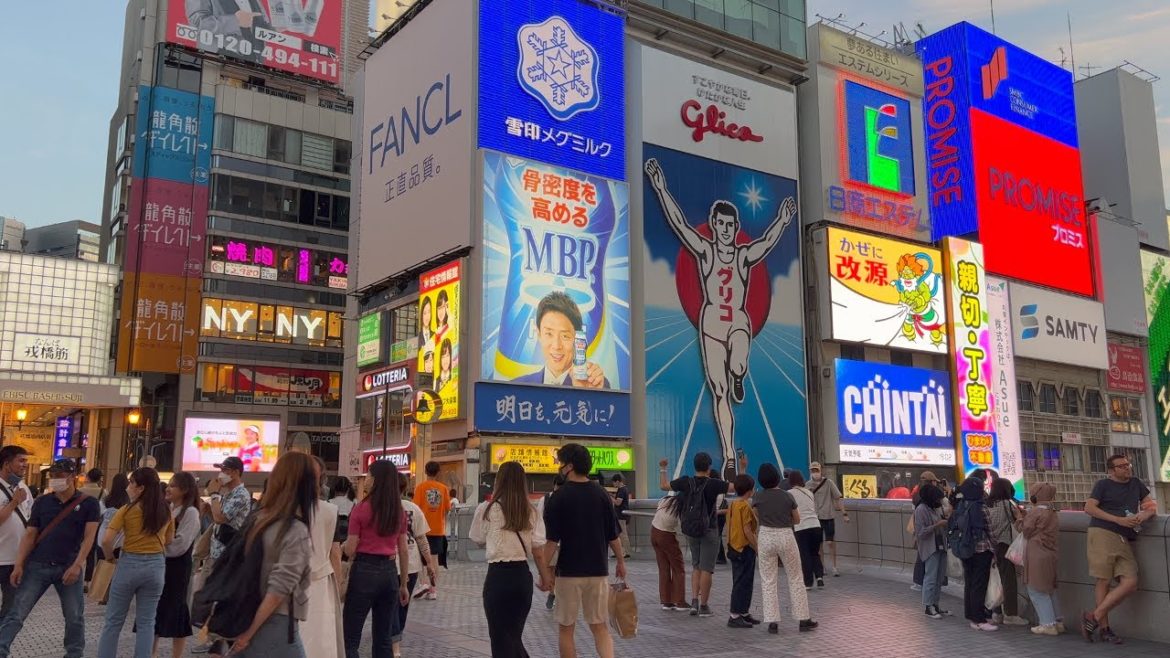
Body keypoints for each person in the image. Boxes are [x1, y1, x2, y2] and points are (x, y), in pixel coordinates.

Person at [644, 157, 797, 476]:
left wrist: (782, 220)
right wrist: (660, 188)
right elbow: (679, 224)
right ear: (714, 225)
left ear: (735, 228)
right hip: (711, 324)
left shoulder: (743, 256)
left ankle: (739, 373)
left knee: (737, 364)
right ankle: (728, 454)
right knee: (719, 391)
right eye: (721, 224)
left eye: (731, 225)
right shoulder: (705, 251)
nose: (726, 230)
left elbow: (767, 243)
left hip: (738, 322)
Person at [0, 458, 101, 658]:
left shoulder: (89, 504)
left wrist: (78, 565)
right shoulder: (43, 502)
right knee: (17, 613)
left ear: (73, 477)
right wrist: (19, 564)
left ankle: (74, 653)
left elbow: (89, 538)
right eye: (53, 476)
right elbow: (30, 535)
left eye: (60, 476)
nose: (55, 480)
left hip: (69, 566)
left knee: (74, 616)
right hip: (38, 564)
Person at [222, 452, 316, 656]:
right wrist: (248, 635)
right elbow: (278, 590)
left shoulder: (258, 519)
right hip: (275, 623)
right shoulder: (295, 529)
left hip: (246, 611)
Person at [543, 443, 624, 658]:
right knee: (600, 626)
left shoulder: (558, 498)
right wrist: (622, 563)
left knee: (566, 629)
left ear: (569, 466)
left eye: (561, 463)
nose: (559, 467)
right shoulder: (602, 495)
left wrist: (543, 571)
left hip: (568, 572)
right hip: (598, 571)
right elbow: (613, 535)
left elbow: (552, 541)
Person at [470, 461, 551, 657]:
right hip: (521, 577)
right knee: (513, 636)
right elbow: (538, 550)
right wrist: (546, 576)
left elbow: (477, 539)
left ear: (499, 481)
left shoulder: (487, 509)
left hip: (497, 577)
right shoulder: (531, 511)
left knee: (500, 638)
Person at [98, 467, 174, 658]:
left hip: (129, 564)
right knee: (147, 622)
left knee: (113, 621)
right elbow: (169, 540)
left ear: (140, 488)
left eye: (131, 483)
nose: (128, 486)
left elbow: (106, 540)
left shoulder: (127, 510)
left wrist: (109, 558)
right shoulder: (166, 511)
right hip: (156, 566)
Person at [1081, 454, 1156, 644]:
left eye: (1127, 465)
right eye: (1121, 466)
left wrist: (1143, 516)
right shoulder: (1102, 485)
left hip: (1125, 536)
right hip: (1103, 532)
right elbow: (1089, 508)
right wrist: (1118, 520)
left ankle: (1094, 617)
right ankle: (1105, 629)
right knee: (1104, 580)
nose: (1127, 468)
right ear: (1111, 470)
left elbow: (1150, 505)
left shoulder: (1136, 483)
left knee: (1131, 581)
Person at [343, 459, 410, 658]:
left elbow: (351, 546)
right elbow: (403, 549)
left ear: (377, 479)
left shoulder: (361, 509)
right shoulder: (398, 510)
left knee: (351, 637)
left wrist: (342, 547)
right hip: (389, 573)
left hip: (363, 571)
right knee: (383, 638)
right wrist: (403, 583)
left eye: (370, 475)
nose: (367, 479)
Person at [658, 451, 739, 617]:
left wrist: (663, 468)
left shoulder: (686, 482)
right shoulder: (713, 484)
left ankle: (694, 601)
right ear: (708, 467)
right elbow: (736, 487)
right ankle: (704, 606)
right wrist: (742, 469)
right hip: (709, 529)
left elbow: (664, 486)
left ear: (694, 466)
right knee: (706, 569)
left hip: (691, 529)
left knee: (696, 566)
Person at [753, 463, 816, 634]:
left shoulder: (757, 497)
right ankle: (803, 619)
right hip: (786, 536)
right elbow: (797, 519)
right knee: (795, 577)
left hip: (765, 536)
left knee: (768, 580)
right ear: (776, 478)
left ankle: (772, 622)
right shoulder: (787, 496)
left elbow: (757, 516)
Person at [149, 472, 201, 658]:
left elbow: (181, 544)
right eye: (168, 485)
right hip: (161, 563)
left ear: (185, 490)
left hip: (177, 567)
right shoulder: (169, 508)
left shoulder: (191, 512)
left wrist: (158, 548)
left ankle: (176, 655)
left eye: (173, 486)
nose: (168, 489)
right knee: (155, 608)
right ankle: (151, 651)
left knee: (177, 610)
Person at [511, 291, 610, 388]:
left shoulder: (597, 384)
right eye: (549, 334)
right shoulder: (516, 386)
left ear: (577, 339)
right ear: (539, 335)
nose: (556, 346)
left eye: (565, 336)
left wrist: (585, 394)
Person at [304, 456, 343, 658]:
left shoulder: (277, 509)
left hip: (284, 585)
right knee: (321, 639)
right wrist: (339, 584)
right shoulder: (329, 511)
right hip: (320, 583)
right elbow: (335, 553)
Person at [395, 471, 436, 657]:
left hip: (387, 563)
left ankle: (390, 635)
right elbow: (421, 539)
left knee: (386, 604)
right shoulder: (413, 508)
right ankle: (396, 635)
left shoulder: (378, 507)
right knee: (403, 603)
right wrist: (429, 563)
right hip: (411, 564)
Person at [952, 477, 997, 631]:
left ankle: (972, 617)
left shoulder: (961, 505)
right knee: (979, 585)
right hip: (982, 550)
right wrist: (995, 550)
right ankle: (980, 619)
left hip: (965, 549)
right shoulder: (980, 507)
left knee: (970, 583)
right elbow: (990, 530)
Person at [1021, 482, 1062, 636]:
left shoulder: (1035, 512)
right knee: (1050, 588)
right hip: (1050, 553)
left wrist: (1020, 518)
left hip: (1036, 553)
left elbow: (1025, 531)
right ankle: (1058, 621)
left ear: (1035, 496)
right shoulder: (1053, 512)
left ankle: (1047, 624)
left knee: (1037, 589)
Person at [986, 477, 1026, 626]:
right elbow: (1019, 520)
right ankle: (1011, 614)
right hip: (1004, 545)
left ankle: (996, 612)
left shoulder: (987, 504)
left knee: (995, 579)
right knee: (1008, 580)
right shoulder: (1007, 504)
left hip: (990, 545)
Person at [0, 446, 33, 619]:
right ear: (6, 464)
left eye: (26, 461)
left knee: (11, 606)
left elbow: (31, 517)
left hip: (16, 560)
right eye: (20, 460)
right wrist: (13, 502)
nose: (24, 465)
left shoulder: (23, 487)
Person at [726, 474, 760, 628]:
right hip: (744, 548)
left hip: (734, 546)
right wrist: (757, 547)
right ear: (750, 490)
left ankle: (743, 612)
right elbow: (747, 530)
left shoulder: (733, 504)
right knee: (742, 582)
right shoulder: (745, 506)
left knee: (742, 581)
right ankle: (735, 614)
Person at [413, 460, 451, 600]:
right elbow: (447, 508)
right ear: (438, 472)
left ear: (425, 471)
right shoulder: (443, 488)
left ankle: (423, 583)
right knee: (434, 559)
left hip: (422, 529)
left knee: (420, 558)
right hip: (438, 529)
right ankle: (433, 589)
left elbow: (416, 508)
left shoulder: (420, 488)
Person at [913, 483, 951, 619]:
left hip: (941, 545)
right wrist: (937, 525)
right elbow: (921, 532)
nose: (939, 501)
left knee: (939, 577)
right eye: (937, 498)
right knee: (930, 577)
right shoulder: (921, 509)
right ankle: (928, 606)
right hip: (930, 547)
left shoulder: (936, 508)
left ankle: (936, 604)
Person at [807, 462, 847, 576]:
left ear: (821, 470)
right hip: (815, 517)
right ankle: (822, 566)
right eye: (813, 471)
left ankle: (834, 566)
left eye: (816, 470)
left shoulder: (828, 482)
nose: (815, 473)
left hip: (829, 515)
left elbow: (838, 497)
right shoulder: (808, 485)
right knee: (818, 544)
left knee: (830, 542)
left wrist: (844, 513)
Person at [787, 470, 824, 589]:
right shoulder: (809, 492)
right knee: (815, 553)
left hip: (802, 527)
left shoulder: (789, 493)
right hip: (816, 525)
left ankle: (808, 582)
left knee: (805, 554)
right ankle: (819, 578)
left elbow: (790, 511)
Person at [611, 473, 631, 558]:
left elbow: (618, 503)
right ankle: (621, 551)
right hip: (620, 515)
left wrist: (610, 498)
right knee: (620, 534)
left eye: (614, 483)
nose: (613, 484)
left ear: (618, 481)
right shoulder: (622, 489)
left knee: (623, 534)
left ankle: (626, 552)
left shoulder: (622, 490)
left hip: (621, 515)